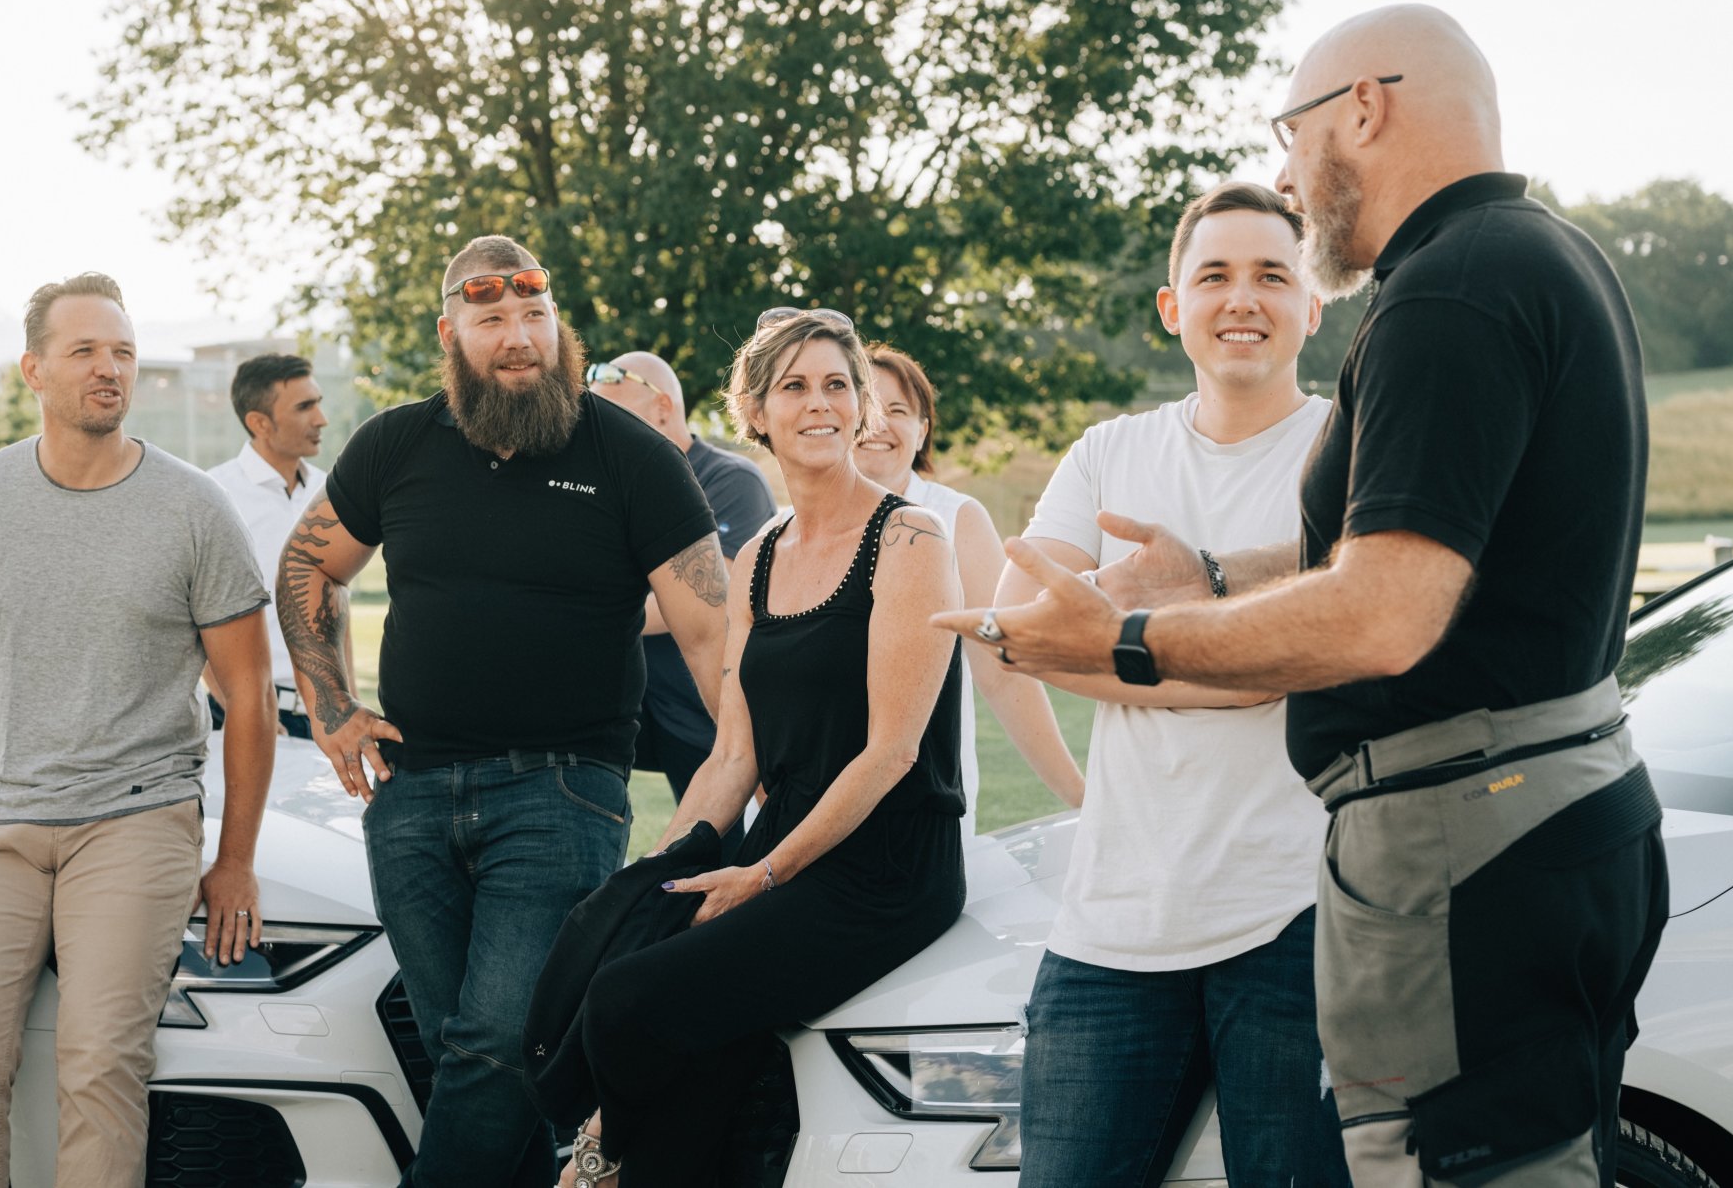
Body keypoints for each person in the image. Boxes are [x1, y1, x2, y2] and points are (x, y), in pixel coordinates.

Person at [939, 5, 1666, 1188]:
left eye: (1291, 132)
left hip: (1464, 846)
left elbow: (1380, 615)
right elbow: (1418, 552)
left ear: (1363, 111)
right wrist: (1219, 582)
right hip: (1549, 817)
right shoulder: (1543, 255)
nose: (1285, 170)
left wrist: (1132, 644)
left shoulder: (1442, 296)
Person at [273, 236, 728, 1188]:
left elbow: (712, 638)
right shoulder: (395, 444)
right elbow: (310, 562)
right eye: (491, 320)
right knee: (474, 1054)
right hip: (410, 794)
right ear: (452, 334)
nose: (518, 338)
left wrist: (751, 784)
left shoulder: (633, 458)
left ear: (558, 327)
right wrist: (331, 705)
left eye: (535, 317)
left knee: (491, 1042)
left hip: (562, 793)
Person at [0, 272, 276, 1187]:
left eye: (124, 352)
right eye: (86, 351)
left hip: (137, 820)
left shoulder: (191, 509)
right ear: (33, 370)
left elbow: (249, 697)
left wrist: (237, 856)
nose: (110, 369)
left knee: (100, 1068)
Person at [987, 184, 1346, 1185]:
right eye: (1214, 275)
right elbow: (1015, 634)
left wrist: (1119, 644)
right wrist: (1227, 668)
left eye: (1272, 275)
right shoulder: (1111, 452)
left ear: (1311, 306)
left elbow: (1339, 644)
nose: (1242, 298)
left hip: (1298, 920)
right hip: (1111, 923)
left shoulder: (1344, 451)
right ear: (1169, 305)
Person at [561, 308, 969, 1188]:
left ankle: (599, 1152)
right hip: (781, 839)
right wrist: (663, 872)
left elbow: (891, 753)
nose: (818, 404)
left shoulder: (909, 541)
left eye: (837, 385)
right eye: (794, 386)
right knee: (627, 961)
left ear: (862, 407)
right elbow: (733, 752)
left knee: (627, 1001)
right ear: (754, 409)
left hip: (886, 868)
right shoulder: (756, 556)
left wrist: (763, 874)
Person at [854, 344, 1085, 825]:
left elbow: (999, 670)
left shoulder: (957, 519)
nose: (878, 424)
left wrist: (1083, 798)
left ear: (922, 432)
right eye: (865, 407)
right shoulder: (783, 528)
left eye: (897, 410)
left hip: (920, 804)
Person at [587, 349, 777, 856]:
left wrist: (592, 615)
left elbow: (715, 592)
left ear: (664, 409)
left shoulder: (731, 481)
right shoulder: (608, 488)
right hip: (630, 702)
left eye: (615, 416)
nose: (602, 433)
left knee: (724, 852)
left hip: (706, 706)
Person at [206, 351, 348, 739]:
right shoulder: (214, 495)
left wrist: (347, 703)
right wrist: (240, 710)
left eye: (318, 402)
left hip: (331, 719)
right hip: (249, 719)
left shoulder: (331, 489)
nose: (321, 419)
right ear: (259, 423)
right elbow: (191, 617)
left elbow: (337, 602)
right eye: (305, 407)